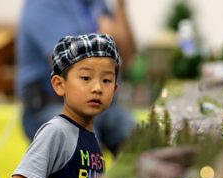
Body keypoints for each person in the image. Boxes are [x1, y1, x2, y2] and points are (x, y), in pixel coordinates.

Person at [9, 33, 120, 178]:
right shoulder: (57, 131)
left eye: (106, 80)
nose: (97, 88)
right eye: (86, 78)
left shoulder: (91, 136)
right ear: (60, 85)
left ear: (114, 90)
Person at [16, 0, 136, 156]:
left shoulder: (96, 3)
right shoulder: (42, 4)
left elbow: (128, 60)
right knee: (85, 151)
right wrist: (106, 36)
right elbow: (65, 64)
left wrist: (121, 7)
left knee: (142, 142)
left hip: (102, 104)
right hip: (52, 104)